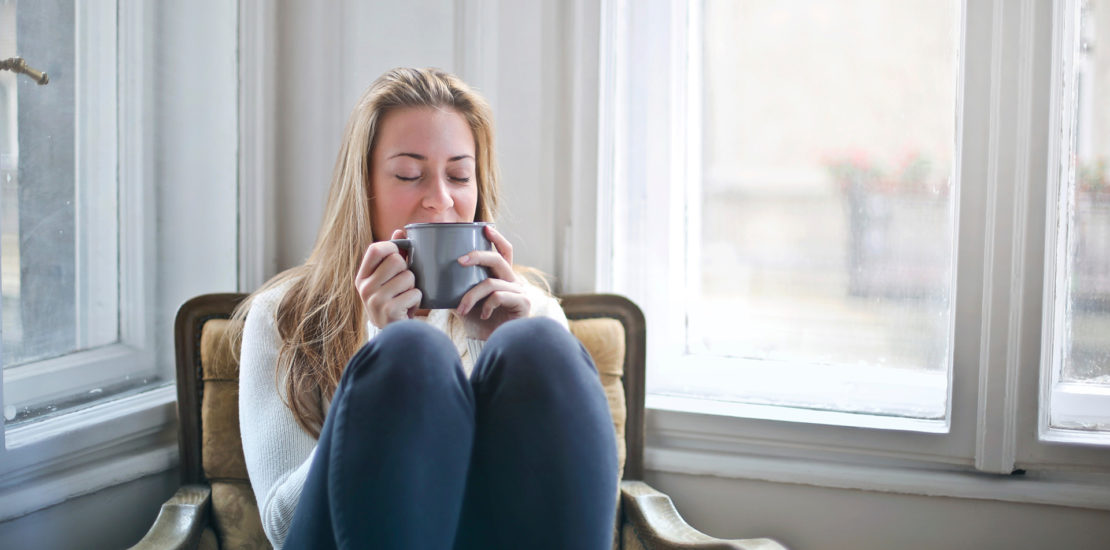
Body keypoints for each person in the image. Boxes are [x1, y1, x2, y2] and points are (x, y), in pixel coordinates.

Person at [233, 67, 618, 550]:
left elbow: (567, 503)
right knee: (410, 353)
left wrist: (496, 344)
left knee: (539, 343)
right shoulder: (281, 316)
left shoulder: (529, 310)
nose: (440, 200)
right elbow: (283, 527)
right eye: (408, 175)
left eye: (459, 175)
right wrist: (381, 343)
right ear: (364, 187)